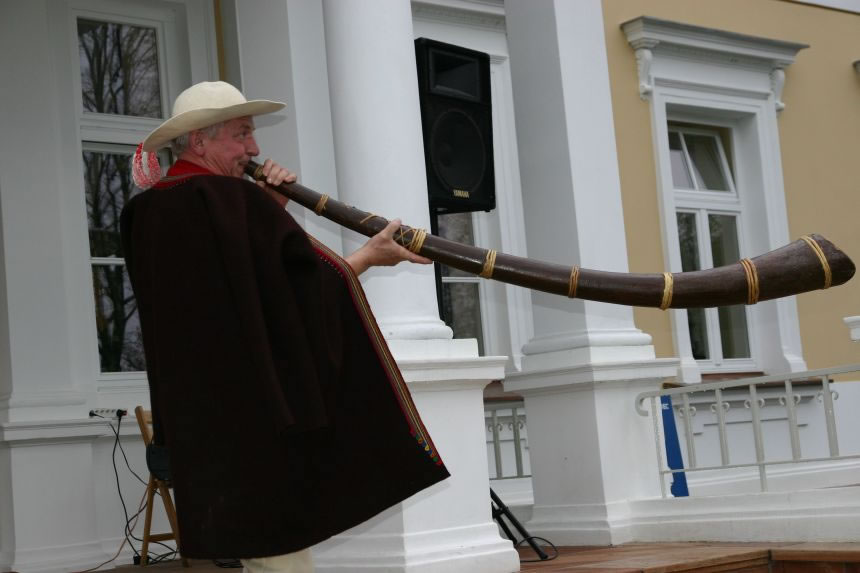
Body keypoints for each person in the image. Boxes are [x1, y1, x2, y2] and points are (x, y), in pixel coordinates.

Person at [121, 81, 449, 572]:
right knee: (279, 555)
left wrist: (267, 210)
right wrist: (370, 255)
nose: (254, 148)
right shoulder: (233, 201)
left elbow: (231, 296)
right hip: (256, 416)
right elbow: (298, 295)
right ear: (199, 141)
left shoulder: (145, 212)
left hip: (199, 420)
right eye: (242, 134)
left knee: (257, 550)